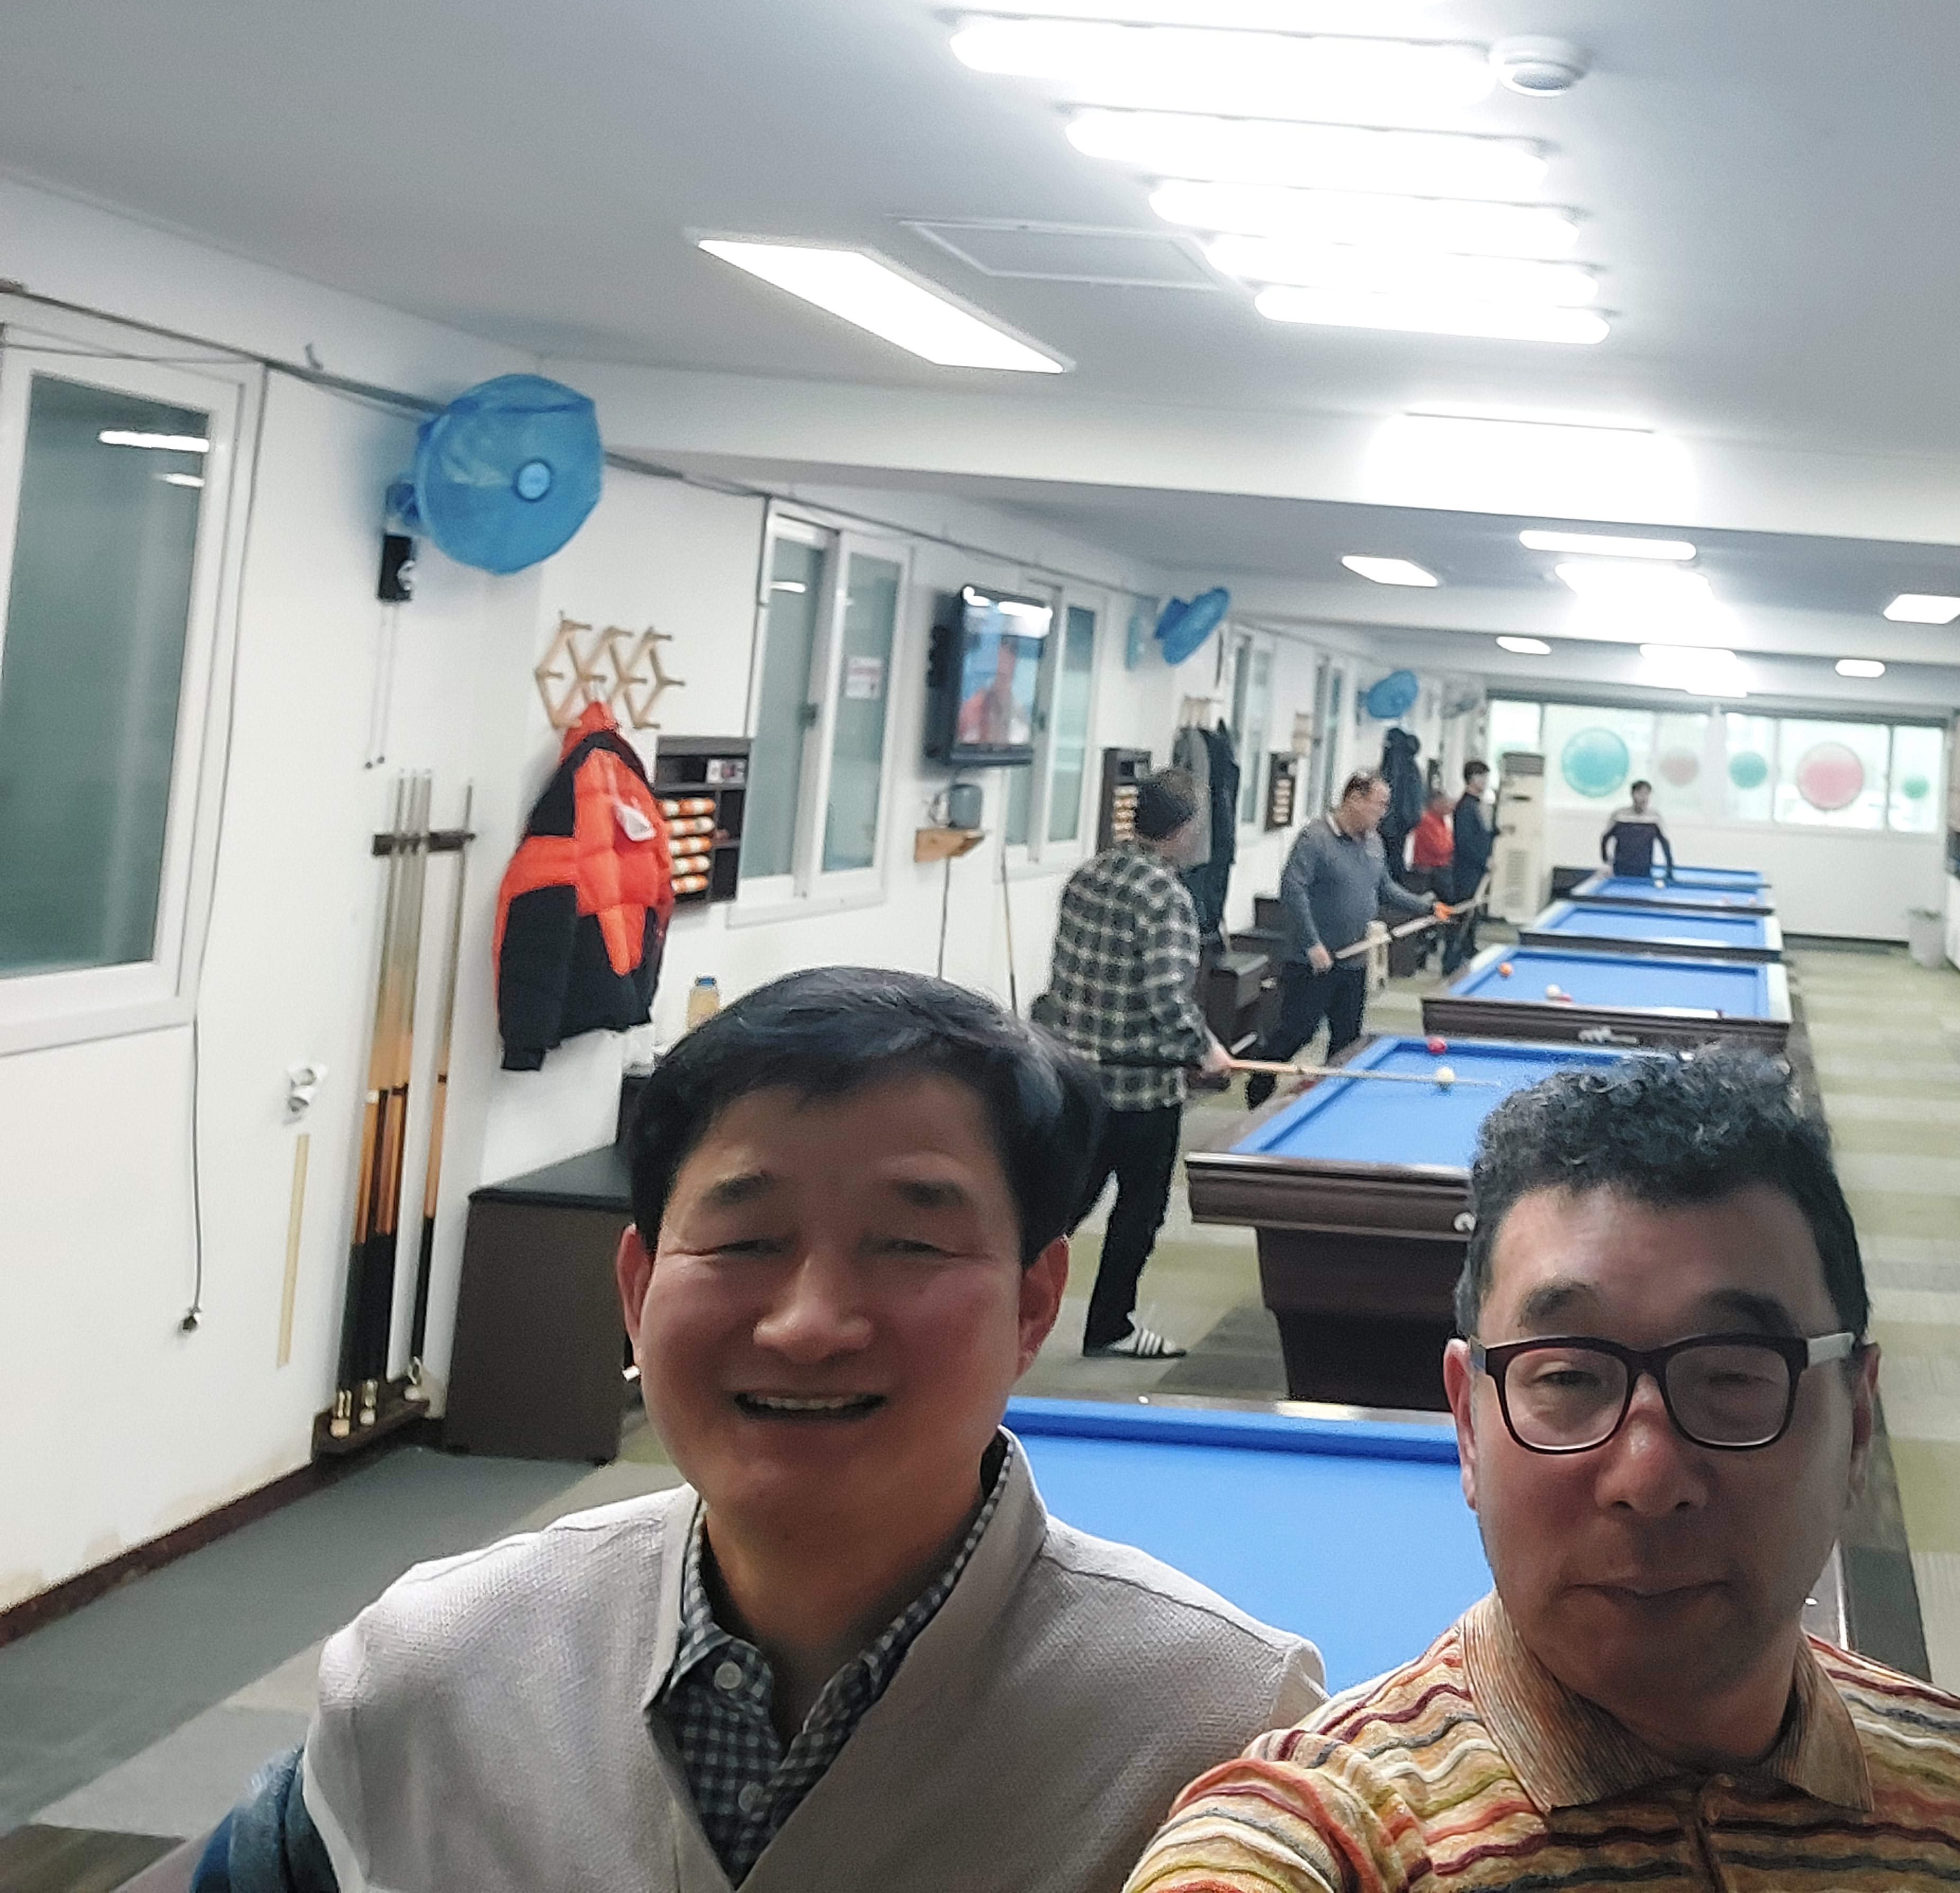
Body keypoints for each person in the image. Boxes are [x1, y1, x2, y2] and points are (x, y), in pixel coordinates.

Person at [202, 968, 1320, 1893]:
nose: (809, 1323)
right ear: (638, 1288)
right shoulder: (431, 1671)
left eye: (909, 1244)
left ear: (1033, 1305)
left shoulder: (1227, 1736)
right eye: (745, 1241)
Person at [1122, 1050, 1960, 1893]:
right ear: (1468, 1424)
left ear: (1857, 1423)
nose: (1648, 1477)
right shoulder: (1327, 1833)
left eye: (1733, 1377)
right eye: (1569, 1377)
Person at [1036, 768, 1235, 1360]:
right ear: (1186, 828)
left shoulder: (1088, 874)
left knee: (1063, 1207)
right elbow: (1168, 998)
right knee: (1139, 1213)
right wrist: (1206, 1050)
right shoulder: (1165, 896)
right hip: (1140, 1093)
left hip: (1072, 1080)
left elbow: (1064, 980)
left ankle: (995, 1304)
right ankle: (1111, 1327)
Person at [1257, 771, 1451, 1103]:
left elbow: (1385, 888)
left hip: (1354, 959)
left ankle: (1328, 1100)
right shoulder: (1315, 838)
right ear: (1355, 799)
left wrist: (1426, 907)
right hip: (1313, 961)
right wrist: (1312, 943)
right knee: (1298, 1032)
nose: (1383, 813)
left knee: (1347, 1040)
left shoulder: (1374, 843)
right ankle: (1261, 1077)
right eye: (1379, 804)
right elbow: (1293, 890)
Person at [1445, 758, 1497, 967]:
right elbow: (1465, 843)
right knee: (1464, 915)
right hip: (1466, 871)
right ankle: (1452, 960)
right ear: (1474, 779)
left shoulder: (1475, 805)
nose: (1486, 782)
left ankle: (1467, 950)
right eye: (1483, 777)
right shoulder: (1466, 807)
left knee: (1472, 914)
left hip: (1476, 869)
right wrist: (1484, 861)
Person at [1597, 779, 1676, 882]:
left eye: (1646, 794)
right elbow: (1605, 839)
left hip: (1644, 869)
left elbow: (1665, 844)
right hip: (1620, 869)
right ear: (1633, 794)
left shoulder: (1654, 818)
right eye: (1640, 793)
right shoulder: (1620, 816)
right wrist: (1606, 862)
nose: (1643, 797)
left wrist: (1669, 869)